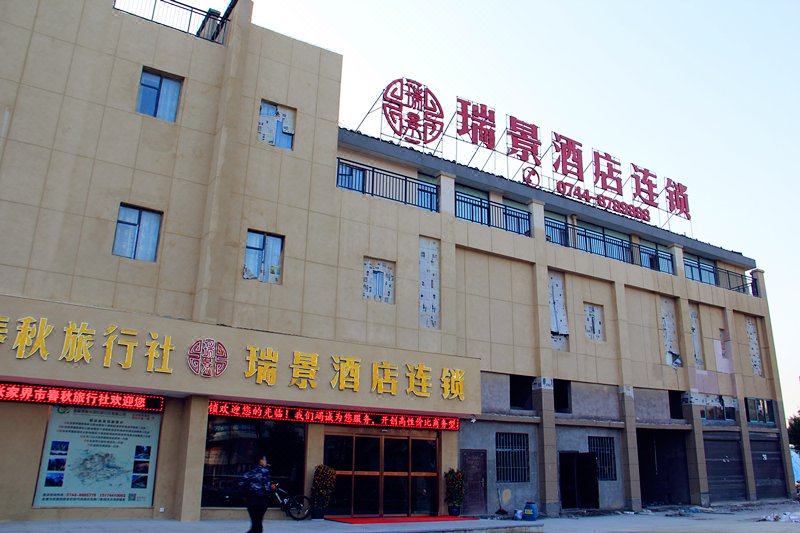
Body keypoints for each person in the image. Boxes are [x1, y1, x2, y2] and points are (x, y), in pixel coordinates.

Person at [241, 455, 272, 533]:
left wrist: (245, 496)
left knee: (255, 522)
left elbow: (242, 484)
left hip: (250, 500)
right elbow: (267, 487)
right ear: (260, 461)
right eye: (265, 460)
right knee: (258, 523)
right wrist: (269, 496)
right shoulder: (265, 471)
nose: (266, 462)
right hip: (261, 500)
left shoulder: (249, 472)